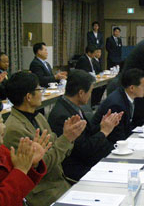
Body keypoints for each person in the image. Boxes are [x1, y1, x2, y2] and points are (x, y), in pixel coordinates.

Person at [3, 71, 86, 206]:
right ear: (29, 97)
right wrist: (66, 138)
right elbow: (42, 165)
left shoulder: (37, 116)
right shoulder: (14, 129)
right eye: (39, 89)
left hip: (59, 181)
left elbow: (54, 147)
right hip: (42, 193)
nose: (41, 92)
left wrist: (68, 138)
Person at [48, 70, 123, 180]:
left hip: (85, 159)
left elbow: (87, 134)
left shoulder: (72, 106)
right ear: (81, 93)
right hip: (75, 168)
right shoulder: (63, 116)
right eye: (90, 92)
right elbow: (85, 150)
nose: (90, 95)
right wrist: (104, 131)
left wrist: (102, 126)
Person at [0, 114, 50, 206]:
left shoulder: (2, 150)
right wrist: (21, 170)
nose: (3, 126)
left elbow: (21, 184)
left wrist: (30, 164)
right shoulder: (14, 129)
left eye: (2, 121)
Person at [92, 69, 144, 143]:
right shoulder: (117, 105)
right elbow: (117, 137)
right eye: (143, 86)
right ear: (132, 88)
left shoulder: (127, 96)